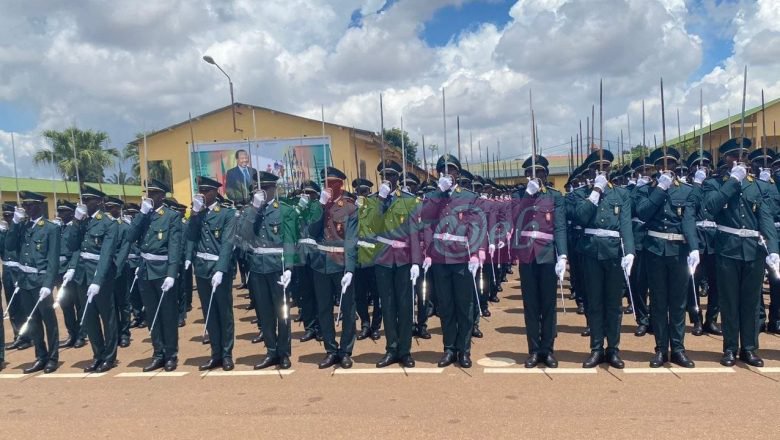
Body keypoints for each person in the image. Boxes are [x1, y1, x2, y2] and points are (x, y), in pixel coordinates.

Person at [703, 138, 779, 367]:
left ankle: (749, 348)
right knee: (729, 301)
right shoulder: (715, 183)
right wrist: (733, 181)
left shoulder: (758, 186)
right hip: (728, 248)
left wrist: (773, 250)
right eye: (732, 155)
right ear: (724, 159)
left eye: (742, 155)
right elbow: (710, 207)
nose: (739, 159)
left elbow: (765, 219)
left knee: (751, 302)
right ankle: (729, 348)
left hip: (753, 250)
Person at [634, 147, 699, 368]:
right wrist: (660, 188)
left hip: (678, 251)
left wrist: (694, 247)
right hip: (655, 250)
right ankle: (661, 349)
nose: (666, 168)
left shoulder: (686, 191)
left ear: (675, 166)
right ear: (655, 167)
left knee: (678, 303)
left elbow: (688, 220)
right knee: (659, 302)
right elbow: (642, 213)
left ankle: (678, 348)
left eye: (670, 164)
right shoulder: (646, 189)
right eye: (661, 165)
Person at [572, 150, 635, 369]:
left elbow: (626, 224)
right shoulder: (581, 194)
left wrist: (630, 252)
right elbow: (580, 216)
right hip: (591, 252)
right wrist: (596, 190)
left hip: (614, 253)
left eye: (605, 167)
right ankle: (596, 348)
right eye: (597, 168)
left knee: (614, 305)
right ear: (589, 171)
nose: (602, 171)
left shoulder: (621, 194)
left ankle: (613, 349)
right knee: (595, 303)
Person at [421, 154, 485, 369]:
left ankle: (464, 349)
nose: (447, 173)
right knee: (446, 305)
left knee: (464, 305)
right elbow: (427, 219)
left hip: (462, 257)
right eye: (442, 170)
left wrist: (476, 253)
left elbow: (477, 226)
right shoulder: (432, 196)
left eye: (451, 170)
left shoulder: (469, 197)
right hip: (440, 257)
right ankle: (449, 348)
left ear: (457, 173)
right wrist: (440, 192)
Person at [512, 154, 567, 368]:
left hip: (547, 253)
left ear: (547, 174)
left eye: (541, 172)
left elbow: (560, 227)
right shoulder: (519, 195)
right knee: (531, 305)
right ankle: (534, 350)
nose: (537, 177)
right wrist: (528, 195)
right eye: (532, 173)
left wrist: (562, 255)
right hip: (527, 254)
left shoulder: (555, 196)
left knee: (548, 303)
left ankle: (548, 349)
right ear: (526, 176)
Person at [241, 172, 297, 370]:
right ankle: (271, 351)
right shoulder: (251, 211)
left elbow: (290, 240)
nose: (263, 193)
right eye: (259, 189)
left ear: (274, 189)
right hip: (257, 267)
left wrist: (289, 267)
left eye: (266, 189)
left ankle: (284, 352)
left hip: (277, 266)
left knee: (282, 311)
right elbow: (245, 236)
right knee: (264, 312)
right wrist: (254, 209)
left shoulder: (285, 211)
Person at [126, 179, 183, 372]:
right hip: (145, 270)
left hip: (162, 269)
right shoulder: (143, 216)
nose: (148, 197)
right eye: (147, 194)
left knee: (167, 314)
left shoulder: (171, 216)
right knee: (152, 314)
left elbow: (175, 245)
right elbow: (129, 237)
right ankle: (158, 352)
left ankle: (171, 354)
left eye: (153, 194)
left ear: (162, 196)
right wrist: (141, 214)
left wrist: (171, 273)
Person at [369, 161, 421, 368]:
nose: (387, 180)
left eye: (391, 176)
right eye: (384, 175)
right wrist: (381, 200)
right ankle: (391, 348)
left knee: (405, 305)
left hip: (403, 259)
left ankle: (405, 350)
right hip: (382, 258)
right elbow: (371, 227)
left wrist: (416, 260)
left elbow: (415, 233)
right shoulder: (374, 200)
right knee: (387, 305)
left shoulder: (409, 201)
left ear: (397, 178)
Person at [65, 186, 120, 373]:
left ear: (98, 201)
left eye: (88, 200)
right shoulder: (82, 223)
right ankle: (98, 354)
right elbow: (72, 245)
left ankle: (110, 357)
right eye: (84, 200)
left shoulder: (109, 223)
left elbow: (106, 254)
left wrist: (97, 280)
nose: (85, 203)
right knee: (89, 317)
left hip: (101, 276)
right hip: (82, 276)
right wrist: (75, 221)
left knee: (107, 317)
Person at [5, 191, 61, 374]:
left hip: (40, 280)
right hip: (25, 280)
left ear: (38, 206)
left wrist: (48, 284)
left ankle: (53, 357)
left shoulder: (51, 228)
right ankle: (40, 356)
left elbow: (53, 259)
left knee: (49, 321)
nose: (26, 209)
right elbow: (10, 246)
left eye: (30, 205)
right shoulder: (22, 227)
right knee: (33, 320)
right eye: (25, 206)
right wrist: (14, 222)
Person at [310, 166, 358, 369]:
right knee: (324, 309)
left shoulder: (349, 207)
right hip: (321, 264)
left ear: (340, 184)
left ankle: (346, 350)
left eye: (332, 183)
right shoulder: (317, 206)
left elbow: (351, 240)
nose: (328, 187)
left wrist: (350, 269)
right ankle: (330, 349)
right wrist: (320, 207)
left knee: (347, 309)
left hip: (340, 263)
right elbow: (311, 231)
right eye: (325, 183)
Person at [188, 176, 237, 371]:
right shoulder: (197, 214)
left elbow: (227, 243)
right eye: (201, 191)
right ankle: (215, 353)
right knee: (209, 312)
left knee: (224, 312)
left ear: (215, 192)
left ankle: (226, 354)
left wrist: (220, 269)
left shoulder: (226, 214)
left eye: (207, 191)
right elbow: (190, 237)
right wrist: (194, 214)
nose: (203, 195)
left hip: (218, 269)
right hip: (201, 268)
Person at [352, 178, 382, 341]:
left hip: (374, 258)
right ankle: (365, 323)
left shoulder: (376, 207)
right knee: (359, 295)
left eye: (364, 192)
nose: (362, 195)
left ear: (370, 192)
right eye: (359, 192)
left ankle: (376, 326)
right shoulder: (351, 209)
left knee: (378, 295)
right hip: (357, 258)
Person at [54, 200, 87, 349]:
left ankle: (81, 334)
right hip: (59, 271)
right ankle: (72, 334)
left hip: (72, 270)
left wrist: (72, 267)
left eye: (63, 211)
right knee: (66, 305)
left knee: (78, 304)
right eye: (59, 211)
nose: (60, 214)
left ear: (71, 213)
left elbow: (77, 250)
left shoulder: (76, 227)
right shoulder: (58, 228)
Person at [105, 196, 133, 348]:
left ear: (119, 209)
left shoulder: (125, 227)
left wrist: (117, 268)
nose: (109, 211)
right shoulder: (105, 225)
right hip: (106, 270)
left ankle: (125, 333)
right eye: (107, 208)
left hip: (120, 269)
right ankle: (114, 333)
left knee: (123, 303)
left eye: (112, 208)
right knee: (111, 303)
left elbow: (124, 250)